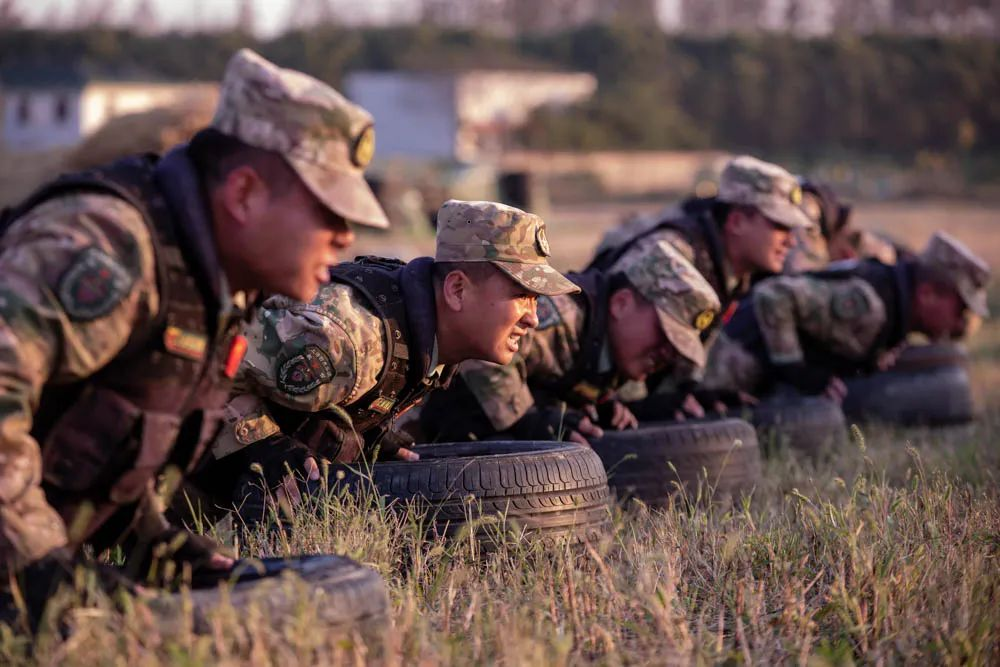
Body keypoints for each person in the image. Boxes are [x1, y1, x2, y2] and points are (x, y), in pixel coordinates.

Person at [0, 48, 388, 629]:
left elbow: (92, 439)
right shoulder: (110, 246)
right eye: (326, 210)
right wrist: (36, 568)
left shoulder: (211, 288)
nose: (344, 236)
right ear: (244, 194)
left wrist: (150, 543)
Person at [198, 199, 579, 512]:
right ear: (458, 291)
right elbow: (204, 355)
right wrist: (261, 443)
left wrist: (369, 434)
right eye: (520, 296)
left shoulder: (431, 343)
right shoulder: (346, 342)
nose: (532, 318)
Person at [419, 239, 721, 444]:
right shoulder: (560, 314)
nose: (667, 353)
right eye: (664, 335)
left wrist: (641, 411)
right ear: (622, 303)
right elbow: (481, 350)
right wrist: (526, 418)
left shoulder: (620, 354)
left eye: (676, 347)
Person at [589, 155, 813, 416]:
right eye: (779, 226)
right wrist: (638, 408)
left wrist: (685, 394)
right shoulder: (670, 254)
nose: (790, 241)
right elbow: (618, 335)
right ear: (737, 221)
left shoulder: (732, 273)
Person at [701, 231, 990, 402]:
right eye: (959, 310)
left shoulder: (888, 301)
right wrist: (795, 368)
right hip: (725, 367)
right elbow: (774, 296)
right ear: (927, 294)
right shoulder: (869, 306)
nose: (958, 323)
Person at [785, 179, 901, 273]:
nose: (845, 258)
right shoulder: (811, 210)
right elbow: (799, 274)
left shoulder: (825, 219)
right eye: (846, 257)